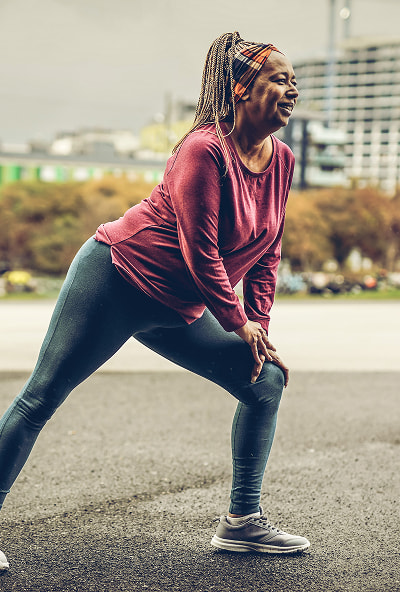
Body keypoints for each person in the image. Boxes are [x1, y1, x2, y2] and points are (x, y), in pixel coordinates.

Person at [0, 31, 309, 570]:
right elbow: (199, 246)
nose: (292, 89)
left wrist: (258, 325)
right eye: (279, 79)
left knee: (265, 380)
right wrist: (236, 320)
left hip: (177, 308)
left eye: (293, 81)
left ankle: (242, 521)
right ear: (241, 89)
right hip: (117, 279)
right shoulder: (203, 150)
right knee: (40, 398)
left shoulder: (281, 159)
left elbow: (268, 249)